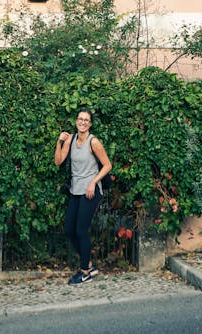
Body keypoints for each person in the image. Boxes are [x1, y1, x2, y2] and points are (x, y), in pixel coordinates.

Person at [54, 109, 112, 285]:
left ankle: (85, 271)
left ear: (90, 124)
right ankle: (88, 263)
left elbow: (108, 165)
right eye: (80, 119)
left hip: (91, 191)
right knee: (69, 230)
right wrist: (59, 142)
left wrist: (93, 182)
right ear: (76, 121)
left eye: (87, 120)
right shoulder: (70, 139)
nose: (83, 122)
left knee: (81, 230)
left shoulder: (93, 142)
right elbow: (58, 161)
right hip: (75, 190)